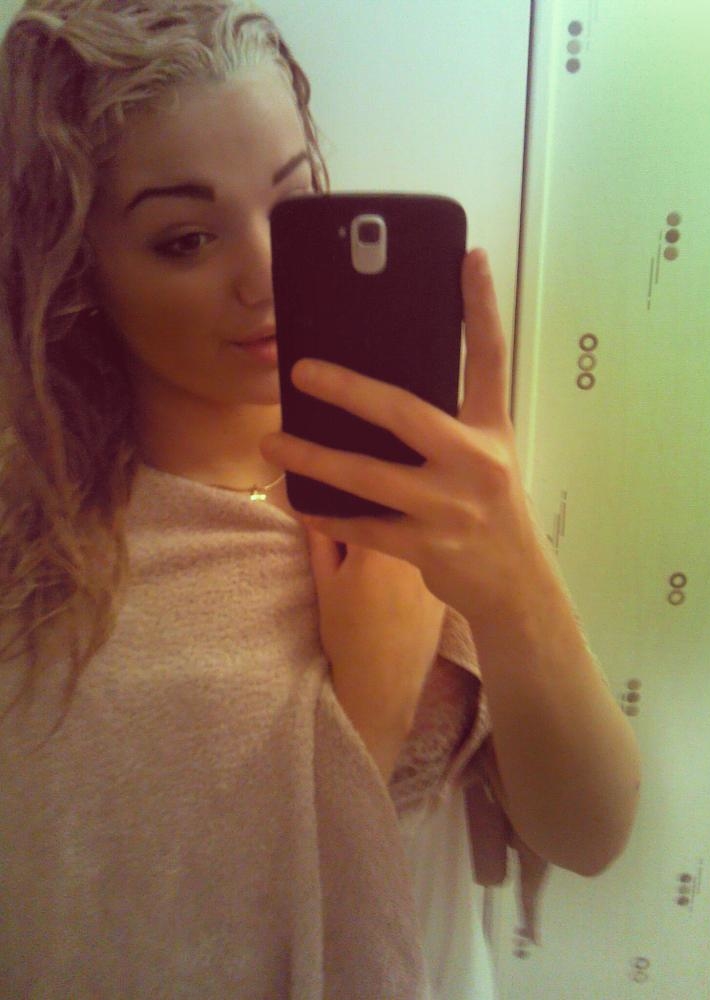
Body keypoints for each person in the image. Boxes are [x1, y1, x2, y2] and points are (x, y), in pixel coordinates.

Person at [0, 2, 642, 998]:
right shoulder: (44, 571)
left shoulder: (424, 472)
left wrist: (512, 575)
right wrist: (368, 713)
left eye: (294, 206)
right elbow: (124, 943)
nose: (265, 277)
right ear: (83, 267)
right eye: (186, 239)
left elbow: (589, 833)